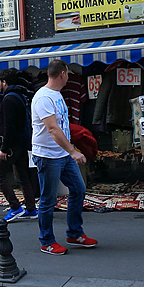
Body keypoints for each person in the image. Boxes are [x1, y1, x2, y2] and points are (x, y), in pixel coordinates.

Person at [30, 59, 97, 255]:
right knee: (48, 199)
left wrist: (70, 149)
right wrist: (73, 151)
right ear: (62, 74)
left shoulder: (56, 95)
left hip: (62, 154)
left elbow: (60, 127)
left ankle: (74, 233)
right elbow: (52, 129)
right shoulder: (43, 98)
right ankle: (46, 241)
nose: (68, 77)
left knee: (78, 188)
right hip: (49, 156)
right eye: (68, 73)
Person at [0, 69, 38, 223]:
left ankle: (15, 207)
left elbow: (9, 127)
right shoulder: (19, 96)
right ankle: (31, 208)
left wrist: (4, 149)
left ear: (5, 82)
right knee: (22, 175)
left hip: (12, 144)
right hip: (22, 142)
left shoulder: (8, 100)